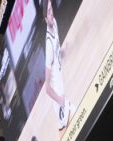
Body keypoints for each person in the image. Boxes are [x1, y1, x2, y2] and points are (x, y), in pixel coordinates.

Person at [42, 0, 71, 132]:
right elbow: (47, 88)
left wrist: (62, 52)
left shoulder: (55, 23)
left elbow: (56, 53)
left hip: (62, 89)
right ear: (44, 18)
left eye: (51, 8)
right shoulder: (48, 45)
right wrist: (61, 101)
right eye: (48, 12)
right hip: (58, 98)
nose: (51, 13)